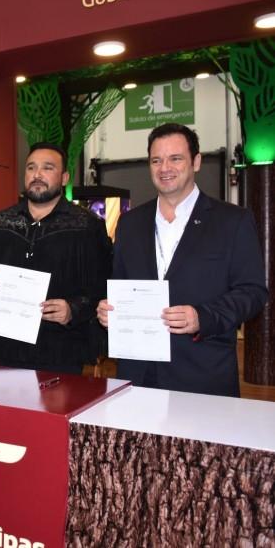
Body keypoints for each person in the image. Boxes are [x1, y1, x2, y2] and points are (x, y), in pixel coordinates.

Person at [96, 123, 268, 397]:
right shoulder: (129, 224)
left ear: (196, 162)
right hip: (137, 376)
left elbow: (253, 292)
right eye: (156, 160)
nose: (165, 168)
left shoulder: (232, 221)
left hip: (203, 376)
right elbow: (119, 284)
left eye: (175, 158)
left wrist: (203, 317)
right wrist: (108, 309)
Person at [0, 142, 112, 374]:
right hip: (4, 350)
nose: (37, 174)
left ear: (64, 178)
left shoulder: (87, 227)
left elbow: (104, 287)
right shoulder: (1, 223)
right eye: (31, 168)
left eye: (47, 168)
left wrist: (73, 310)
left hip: (61, 353)